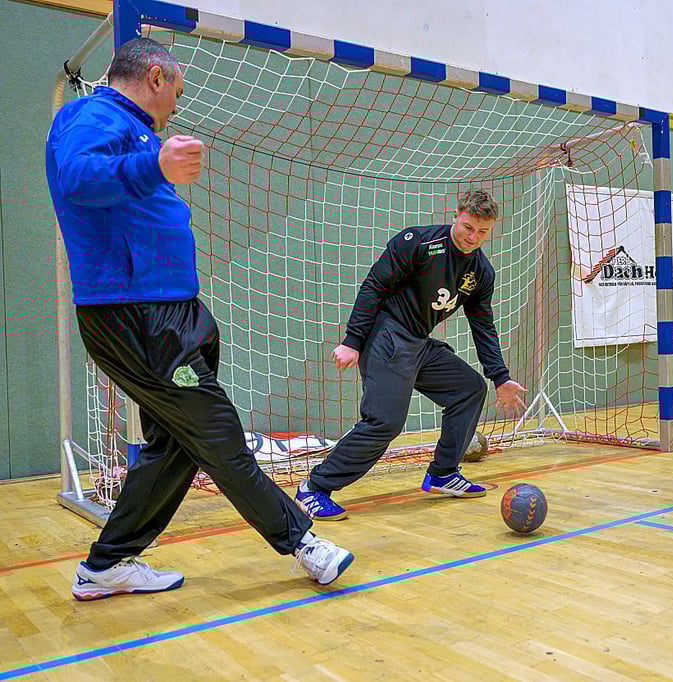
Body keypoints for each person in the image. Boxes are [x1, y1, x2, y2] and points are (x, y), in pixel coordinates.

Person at [45, 38, 354, 600]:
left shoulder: (128, 126)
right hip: (136, 315)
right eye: (178, 92)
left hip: (169, 313)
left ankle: (107, 563)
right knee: (218, 433)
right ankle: (303, 542)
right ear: (156, 76)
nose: (177, 106)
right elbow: (73, 178)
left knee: (178, 445)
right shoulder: (95, 115)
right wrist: (154, 163)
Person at [295, 190, 528, 520]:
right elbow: (374, 286)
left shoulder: (481, 273)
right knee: (385, 421)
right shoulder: (416, 243)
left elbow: (483, 327)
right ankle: (314, 488)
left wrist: (500, 378)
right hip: (387, 335)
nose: (473, 238)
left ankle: (444, 473)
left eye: (483, 232)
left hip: (418, 342)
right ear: (457, 216)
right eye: (468, 227)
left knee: (470, 389)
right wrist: (352, 340)